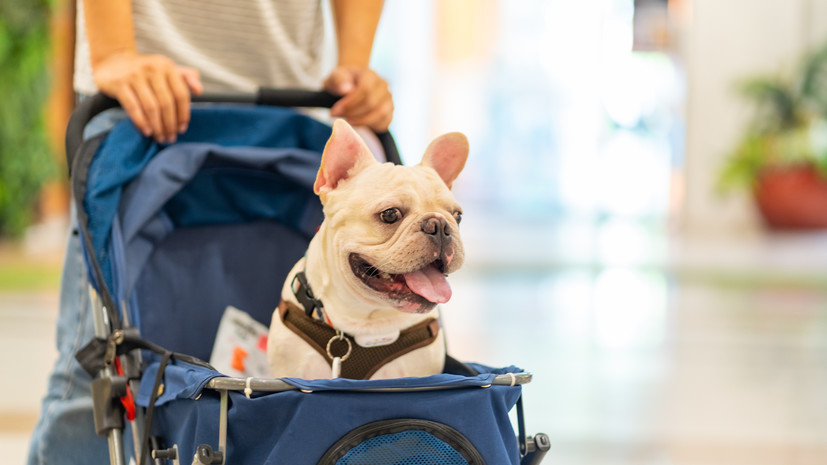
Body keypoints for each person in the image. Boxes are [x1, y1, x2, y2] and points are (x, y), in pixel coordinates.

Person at [27, 1, 393, 463]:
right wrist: (113, 53)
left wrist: (354, 67)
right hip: (144, 108)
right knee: (100, 377)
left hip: (296, 115)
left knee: (298, 375)